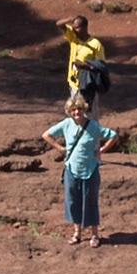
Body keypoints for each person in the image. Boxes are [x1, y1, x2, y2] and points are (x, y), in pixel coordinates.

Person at [43, 94, 119, 248]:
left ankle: (94, 235)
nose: (76, 112)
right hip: (71, 169)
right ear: (69, 111)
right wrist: (60, 149)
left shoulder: (93, 126)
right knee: (72, 201)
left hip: (90, 169)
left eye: (78, 109)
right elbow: (46, 135)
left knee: (90, 202)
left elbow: (113, 135)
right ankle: (76, 233)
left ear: (83, 109)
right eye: (73, 110)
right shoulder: (66, 124)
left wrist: (102, 150)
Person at [57, 15, 107, 118]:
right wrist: (68, 19)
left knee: (89, 115)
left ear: (85, 27)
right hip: (74, 84)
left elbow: (101, 66)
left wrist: (84, 65)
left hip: (87, 85)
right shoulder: (74, 38)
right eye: (73, 27)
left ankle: (93, 133)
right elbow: (59, 24)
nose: (75, 30)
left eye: (77, 28)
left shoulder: (95, 44)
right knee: (75, 114)